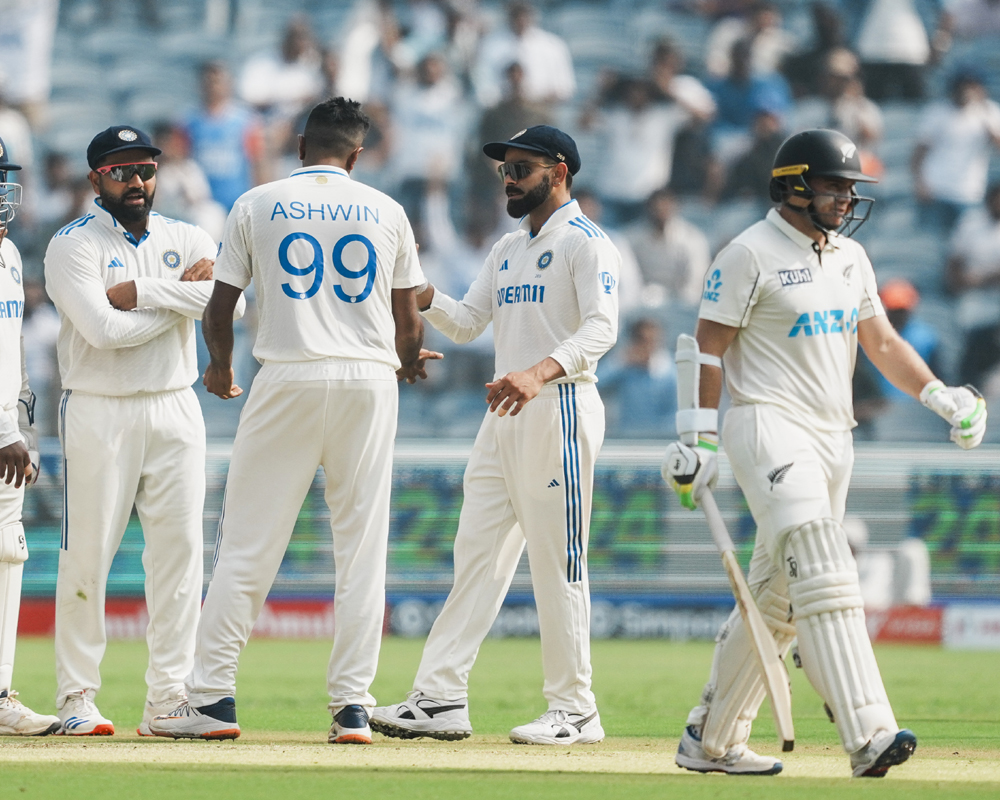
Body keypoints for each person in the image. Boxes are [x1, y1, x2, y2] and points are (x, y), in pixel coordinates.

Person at [661, 128, 986, 777]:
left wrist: (939, 395)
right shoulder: (746, 252)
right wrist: (695, 434)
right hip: (767, 425)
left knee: (778, 600)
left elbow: (884, 344)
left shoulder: (849, 258)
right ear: (794, 185)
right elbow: (706, 346)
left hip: (835, 438)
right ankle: (870, 732)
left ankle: (710, 739)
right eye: (835, 185)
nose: (846, 198)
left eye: (850, 188)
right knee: (822, 559)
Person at [148, 98, 431, 744]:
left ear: (301, 146)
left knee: (246, 545)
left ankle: (213, 700)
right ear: (357, 156)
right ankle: (352, 708)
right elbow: (409, 319)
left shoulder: (255, 203)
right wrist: (408, 363)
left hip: (287, 375)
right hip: (367, 380)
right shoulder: (386, 209)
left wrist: (218, 367)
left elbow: (221, 306)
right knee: (361, 551)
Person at [371, 125, 620, 746]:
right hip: (504, 413)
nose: (509, 179)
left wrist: (537, 373)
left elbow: (602, 330)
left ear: (559, 171)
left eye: (522, 168)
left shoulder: (587, 244)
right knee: (475, 556)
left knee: (557, 563)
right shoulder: (508, 248)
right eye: (504, 169)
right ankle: (439, 698)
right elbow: (468, 322)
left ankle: (576, 708)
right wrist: (417, 291)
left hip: (558, 406)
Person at [43, 125, 245, 737]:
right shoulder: (71, 245)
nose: (137, 182)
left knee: (179, 557)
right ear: (96, 179)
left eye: (146, 170)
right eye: (122, 171)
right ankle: (77, 697)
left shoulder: (185, 234)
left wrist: (142, 293)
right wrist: (185, 297)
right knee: (88, 556)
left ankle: (168, 701)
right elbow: (103, 332)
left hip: (175, 405)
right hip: (99, 407)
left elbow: (232, 305)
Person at [0, 135, 60, 737]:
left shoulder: (11, 256)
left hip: (5, 438)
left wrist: (18, 424)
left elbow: (10, 352)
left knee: (9, 552)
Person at [912, 68, 1000, 233]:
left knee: (964, 241)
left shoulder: (990, 112)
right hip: (936, 190)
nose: (965, 91)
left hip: (970, 191)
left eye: (971, 86)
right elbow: (918, 153)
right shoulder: (936, 112)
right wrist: (920, 182)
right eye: (962, 86)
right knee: (932, 243)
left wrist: (987, 122)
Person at [947, 182, 1000, 387]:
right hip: (974, 299)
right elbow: (955, 263)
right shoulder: (971, 223)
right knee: (970, 353)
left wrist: (984, 278)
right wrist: (969, 280)